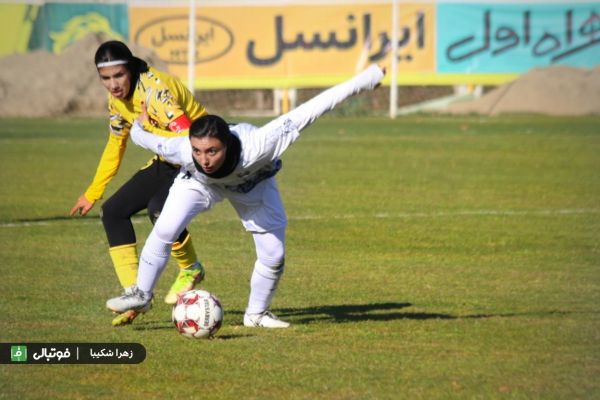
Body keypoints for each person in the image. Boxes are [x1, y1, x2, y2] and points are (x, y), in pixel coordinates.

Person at [106, 64, 385, 328]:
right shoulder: (184, 152)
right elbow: (147, 139)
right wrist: (140, 125)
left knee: (274, 255)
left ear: (226, 143)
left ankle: (256, 314)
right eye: (198, 151)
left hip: (252, 184)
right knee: (165, 226)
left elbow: (314, 107)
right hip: (200, 184)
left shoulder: (260, 143)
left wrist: (367, 78)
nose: (204, 158)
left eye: (212, 151)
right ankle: (142, 295)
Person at [70, 40, 208, 326]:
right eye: (106, 78)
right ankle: (136, 294)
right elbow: (115, 144)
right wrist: (93, 192)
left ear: (130, 69)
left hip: (199, 157)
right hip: (166, 160)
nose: (113, 84)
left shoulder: (156, 92)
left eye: (118, 75)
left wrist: (144, 130)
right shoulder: (116, 102)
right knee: (113, 211)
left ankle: (190, 267)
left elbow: (188, 142)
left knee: (160, 209)